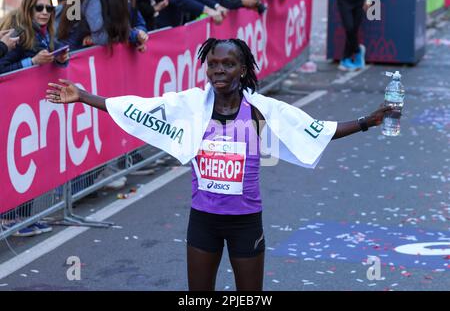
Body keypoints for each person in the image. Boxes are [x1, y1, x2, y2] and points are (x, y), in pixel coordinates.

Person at [46, 38, 392, 290]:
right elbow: (138, 110)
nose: (219, 70)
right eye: (212, 64)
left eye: (228, 64)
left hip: (245, 223)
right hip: (203, 221)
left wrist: (367, 121)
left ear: (243, 69)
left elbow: (314, 131)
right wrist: (84, 97)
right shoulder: (192, 106)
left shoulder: (260, 111)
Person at [0, 0, 69, 74]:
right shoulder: (17, 32)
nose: (45, 12)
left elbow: (60, 51)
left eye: (49, 8)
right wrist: (33, 61)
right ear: (28, 10)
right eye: (39, 8)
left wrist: (60, 59)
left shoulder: (48, 31)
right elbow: (2, 69)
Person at [336, 0, 371, 72]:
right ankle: (358, 51)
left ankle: (345, 59)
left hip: (359, 0)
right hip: (343, 0)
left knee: (354, 30)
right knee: (349, 28)